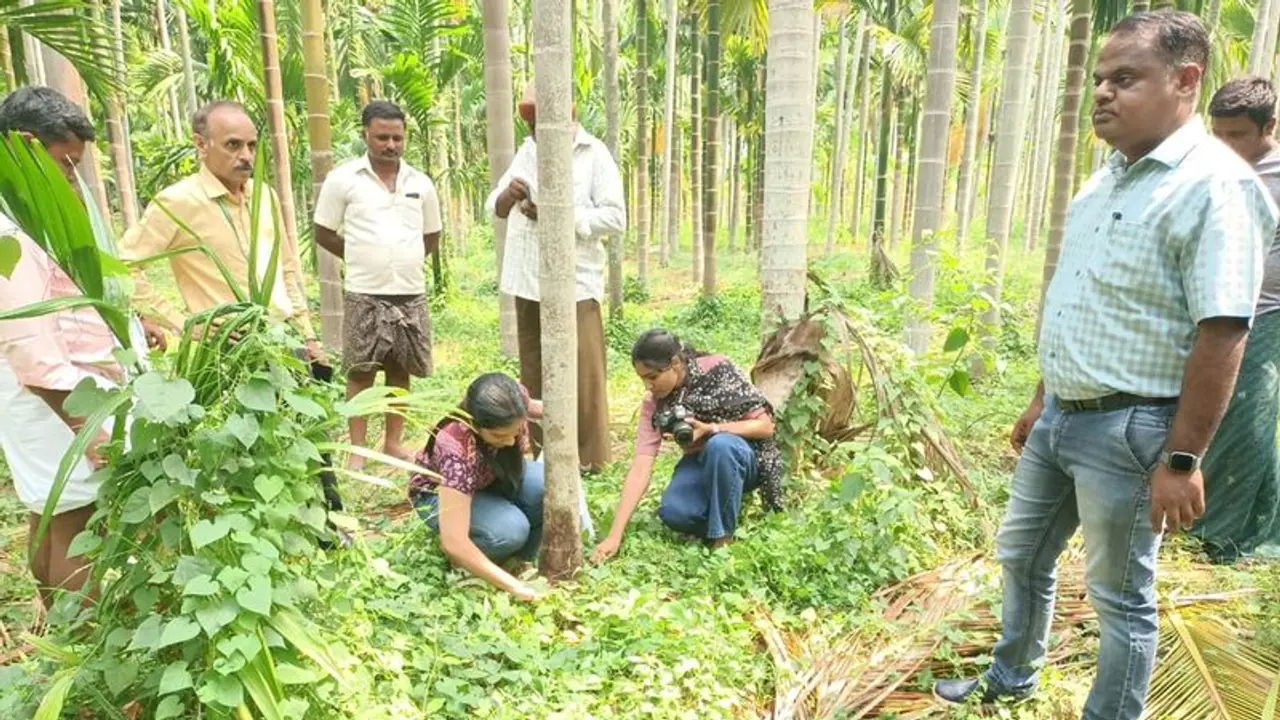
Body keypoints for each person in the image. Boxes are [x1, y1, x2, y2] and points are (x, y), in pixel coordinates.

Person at [933, 12, 1279, 720]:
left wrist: (1181, 459)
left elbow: (1222, 332)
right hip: (1062, 417)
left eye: (1125, 78)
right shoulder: (1108, 179)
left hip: (1132, 429)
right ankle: (1012, 676)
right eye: (1099, 79)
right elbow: (1079, 296)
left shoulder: (1216, 186)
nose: (1102, 93)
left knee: (1120, 596)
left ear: (1185, 81)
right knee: (1021, 554)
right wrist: (1042, 398)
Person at [118, 101, 346, 519]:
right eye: (233, 145)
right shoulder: (177, 202)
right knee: (241, 453)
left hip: (283, 340)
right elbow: (123, 266)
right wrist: (185, 323)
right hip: (227, 349)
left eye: (252, 146)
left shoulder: (264, 197)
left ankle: (327, 526)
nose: (245, 155)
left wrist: (308, 334)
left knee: (309, 439)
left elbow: (286, 269)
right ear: (201, 144)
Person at [0, 87, 130, 603]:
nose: (73, 180)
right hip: (54, 395)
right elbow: (32, 348)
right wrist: (88, 429)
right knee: (77, 519)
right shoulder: (9, 234)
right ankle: (82, 635)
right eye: (66, 164)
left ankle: (60, 625)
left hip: (50, 390)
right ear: (25, 146)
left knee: (51, 510)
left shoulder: (26, 218)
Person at [485, 85, 625, 473]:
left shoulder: (594, 154)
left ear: (567, 119)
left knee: (584, 369)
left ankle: (590, 458)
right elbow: (494, 205)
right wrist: (509, 194)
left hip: (575, 281)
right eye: (531, 128)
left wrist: (557, 214)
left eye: (542, 126)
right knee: (534, 368)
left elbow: (615, 217)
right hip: (528, 279)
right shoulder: (527, 151)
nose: (536, 135)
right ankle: (544, 452)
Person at [314, 100, 443, 467]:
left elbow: (431, 234)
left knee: (400, 371)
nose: (390, 145)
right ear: (365, 135)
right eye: (382, 137)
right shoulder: (343, 180)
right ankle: (357, 450)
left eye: (397, 138)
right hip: (364, 293)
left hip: (410, 293)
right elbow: (324, 231)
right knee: (361, 371)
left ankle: (392, 444)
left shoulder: (420, 183)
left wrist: (407, 259)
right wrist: (359, 256)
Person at [590, 330, 783, 563]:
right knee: (675, 514)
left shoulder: (717, 369)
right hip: (700, 460)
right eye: (642, 379)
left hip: (743, 456)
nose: (648, 386)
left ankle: (723, 539)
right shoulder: (655, 403)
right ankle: (721, 508)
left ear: (674, 363)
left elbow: (765, 426)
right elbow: (641, 467)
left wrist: (711, 429)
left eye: (652, 377)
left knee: (720, 445)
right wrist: (614, 535)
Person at [1197, 77, 1280, 562]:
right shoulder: (1212, 169)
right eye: (1219, 134)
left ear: (1269, 127)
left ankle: (1223, 537)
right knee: (1239, 418)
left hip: (1268, 313)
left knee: (1248, 421)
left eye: (1238, 135)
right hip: (1217, 311)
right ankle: (1262, 526)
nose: (1226, 145)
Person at [408, 373, 546, 601]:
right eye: (499, 435)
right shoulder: (456, 447)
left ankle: (517, 562)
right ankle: (465, 568)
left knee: (545, 485)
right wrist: (514, 588)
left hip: (488, 477)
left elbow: (535, 407)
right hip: (439, 495)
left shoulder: (514, 399)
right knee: (510, 530)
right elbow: (454, 541)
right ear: (475, 424)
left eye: (515, 432)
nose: (510, 442)